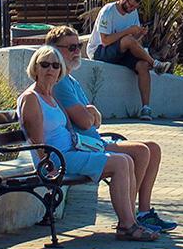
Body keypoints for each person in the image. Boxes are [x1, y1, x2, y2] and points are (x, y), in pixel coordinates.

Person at [19, 45, 158, 241]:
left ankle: (130, 222)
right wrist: (47, 165)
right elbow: (37, 140)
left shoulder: (50, 96)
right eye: (45, 64)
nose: (50, 69)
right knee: (120, 162)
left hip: (71, 152)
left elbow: (68, 128)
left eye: (55, 66)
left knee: (126, 160)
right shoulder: (31, 98)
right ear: (35, 68)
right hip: (57, 159)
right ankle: (127, 226)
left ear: (60, 71)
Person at [43, 27, 172, 232]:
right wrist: (90, 112)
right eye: (71, 47)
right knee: (140, 152)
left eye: (79, 46)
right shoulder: (60, 83)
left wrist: (91, 113)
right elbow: (86, 122)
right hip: (84, 146)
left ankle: (143, 213)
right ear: (54, 50)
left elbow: (95, 120)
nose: (77, 52)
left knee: (153, 148)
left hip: (93, 142)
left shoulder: (71, 80)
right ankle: (130, 217)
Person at [90, 0, 166, 118]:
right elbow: (105, 40)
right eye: (130, 5)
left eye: (135, 7)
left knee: (142, 65)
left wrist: (140, 34)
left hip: (121, 50)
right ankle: (154, 63)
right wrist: (128, 32)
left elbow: (133, 41)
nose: (131, 9)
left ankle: (146, 108)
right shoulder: (108, 11)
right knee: (128, 40)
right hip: (100, 51)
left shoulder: (133, 13)